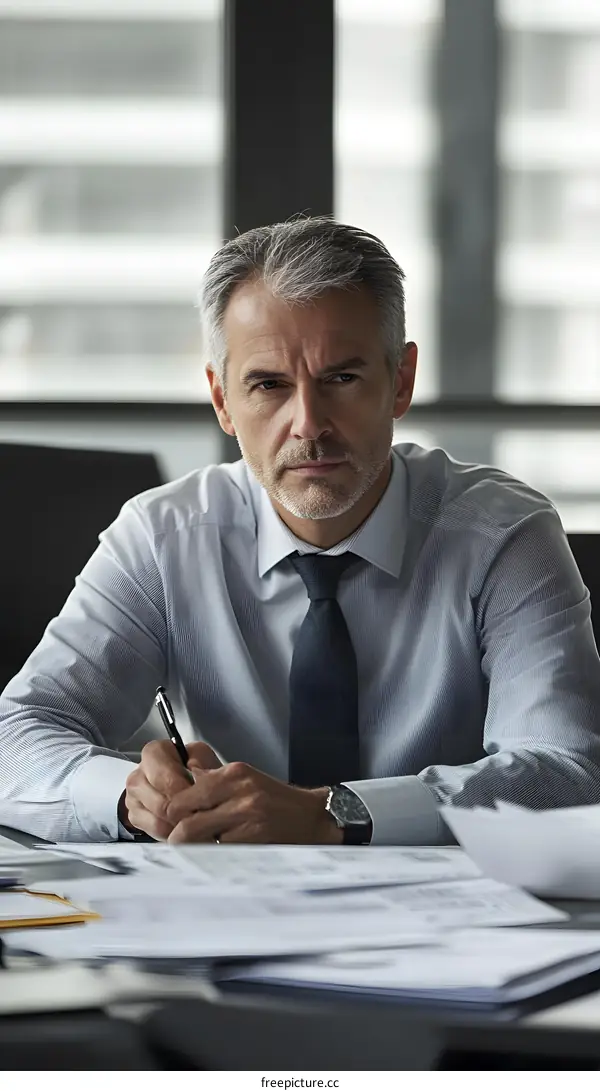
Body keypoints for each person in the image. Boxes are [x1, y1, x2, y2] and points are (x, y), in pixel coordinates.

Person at [1, 217, 600, 846]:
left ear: (400, 381)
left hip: (455, 922)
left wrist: (335, 814)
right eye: (268, 385)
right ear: (222, 400)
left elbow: (567, 772)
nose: (308, 425)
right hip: (224, 914)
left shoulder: (502, 535)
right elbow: (17, 737)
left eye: (341, 378)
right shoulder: (161, 539)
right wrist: (128, 798)